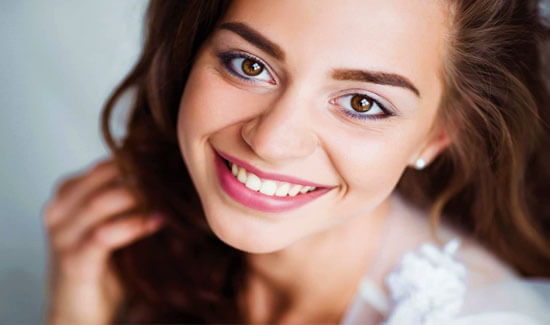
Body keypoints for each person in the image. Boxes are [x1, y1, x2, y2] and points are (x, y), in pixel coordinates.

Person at [43, 0, 550, 324]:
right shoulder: (138, 244)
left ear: (438, 135)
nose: (271, 141)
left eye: (362, 103)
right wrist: (77, 298)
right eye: (249, 65)